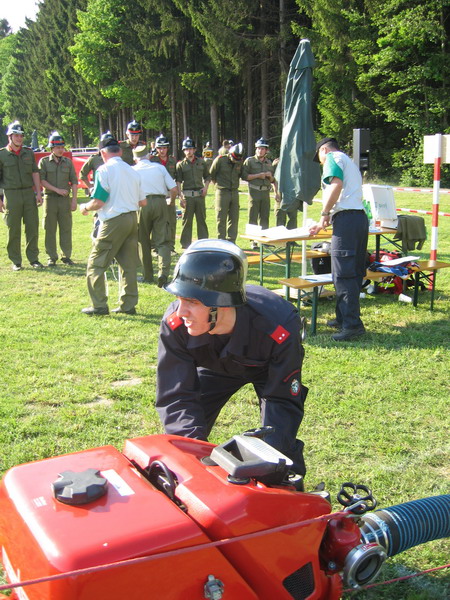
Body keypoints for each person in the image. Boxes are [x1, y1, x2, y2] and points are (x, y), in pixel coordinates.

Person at [156, 239, 307, 476]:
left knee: (278, 444)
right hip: (215, 366)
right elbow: (177, 396)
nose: (181, 311)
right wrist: (192, 456)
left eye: (192, 302)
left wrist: (271, 458)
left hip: (268, 369)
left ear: (223, 303)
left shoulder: (279, 327)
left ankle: (291, 491)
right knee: (184, 439)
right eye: (180, 299)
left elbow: (282, 401)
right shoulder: (176, 324)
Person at [79, 133, 146, 316]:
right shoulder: (133, 171)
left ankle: (99, 305)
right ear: (119, 151)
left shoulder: (103, 170)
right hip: (132, 218)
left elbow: (99, 201)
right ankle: (128, 305)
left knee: (96, 263)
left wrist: (85, 207)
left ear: (103, 153)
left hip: (114, 220)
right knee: (128, 265)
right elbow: (143, 202)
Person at [309, 137, 368, 341]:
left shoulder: (332, 158)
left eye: (319, 158)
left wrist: (324, 213)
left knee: (343, 274)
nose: (321, 163)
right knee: (353, 272)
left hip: (347, 220)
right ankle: (343, 318)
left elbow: (336, 185)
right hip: (358, 219)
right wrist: (325, 220)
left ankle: (352, 326)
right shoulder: (348, 161)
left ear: (324, 150)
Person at [0, 121, 43, 270]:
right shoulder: (2, 155)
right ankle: (16, 261)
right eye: (16, 135)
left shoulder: (28, 152)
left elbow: (35, 172)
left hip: (28, 193)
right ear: (10, 137)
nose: (19, 138)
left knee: (32, 227)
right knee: (13, 228)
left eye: (21, 136)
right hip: (11, 194)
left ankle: (33, 259)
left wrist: (38, 193)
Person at [132, 144, 177, 288]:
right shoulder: (159, 168)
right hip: (160, 202)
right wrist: (171, 201)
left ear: (135, 158)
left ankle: (147, 275)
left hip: (141, 204)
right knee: (163, 240)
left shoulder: (132, 170)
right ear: (149, 156)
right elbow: (174, 188)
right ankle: (163, 273)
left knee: (143, 241)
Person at [39, 132, 78, 267]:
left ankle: (66, 256)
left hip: (65, 200)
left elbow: (74, 181)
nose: (61, 150)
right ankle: (51, 257)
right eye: (57, 147)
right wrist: (57, 190)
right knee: (49, 229)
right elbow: (42, 180)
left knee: (66, 228)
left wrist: (74, 200)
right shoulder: (44, 162)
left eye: (62, 147)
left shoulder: (68, 162)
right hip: (50, 199)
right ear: (51, 148)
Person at [176, 137, 210, 249]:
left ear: (194, 150)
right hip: (188, 197)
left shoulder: (201, 162)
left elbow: (207, 177)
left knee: (201, 220)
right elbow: (178, 181)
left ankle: (204, 243)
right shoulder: (181, 165)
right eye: (186, 149)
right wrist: (180, 197)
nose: (189, 151)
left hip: (200, 196)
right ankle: (185, 245)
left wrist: (206, 188)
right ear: (183, 151)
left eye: (191, 149)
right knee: (187, 221)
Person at [241, 137, 274, 247]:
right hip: (254, 191)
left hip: (265, 192)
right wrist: (258, 176)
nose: (260, 151)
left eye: (262, 149)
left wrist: (270, 176)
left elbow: (273, 180)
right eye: (258, 148)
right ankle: (253, 241)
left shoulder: (269, 162)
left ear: (266, 150)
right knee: (253, 216)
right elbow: (244, 176)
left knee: (265, 217)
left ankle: (263, 240)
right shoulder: (250, 161)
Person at [209, 143, 244, 243]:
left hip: (234, 192)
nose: (236, 160)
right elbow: (212, 174)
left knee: (234, 217)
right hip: (222, 191)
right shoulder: (220, 160)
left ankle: (232, 240)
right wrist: (218, 186)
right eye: (234, 158)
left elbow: (241, 174)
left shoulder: (239, 162)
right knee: (221, 217)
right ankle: (221, 240)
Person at [150, 135, 178, 254]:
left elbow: (176, 177)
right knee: (157, 222)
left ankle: (170, 247)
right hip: (157, 194)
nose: (162, 150)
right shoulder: (152, 160)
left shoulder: (172, 161)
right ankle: (155, 247)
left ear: (167, 148)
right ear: (156, 148)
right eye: (160, 148)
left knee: (171, 221)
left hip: (170, 193)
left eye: (164, 148)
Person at [272, 157, 297, 229]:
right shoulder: (277, 163)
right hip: (280, 193)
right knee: (280, 217)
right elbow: (273, 179)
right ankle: (281, 235)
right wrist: (275, 192)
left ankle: (291, 235)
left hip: (291, 194)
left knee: (293, 218)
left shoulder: (294, 162)